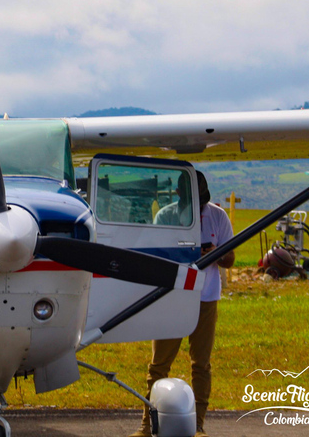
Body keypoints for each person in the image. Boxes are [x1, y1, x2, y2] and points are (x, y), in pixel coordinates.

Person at [131, 171, 235, 437]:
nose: (197, 206)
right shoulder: (165, 216)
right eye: (192, 201)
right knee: (159, 365)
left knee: (201, 364)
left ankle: (198, 425)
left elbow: (230, 259)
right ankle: (146, 426)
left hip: (206, 298)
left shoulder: (218, 216)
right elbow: (156, 254)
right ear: (178, 194)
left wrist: (215, 254)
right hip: (172, 297)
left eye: (200, 202)